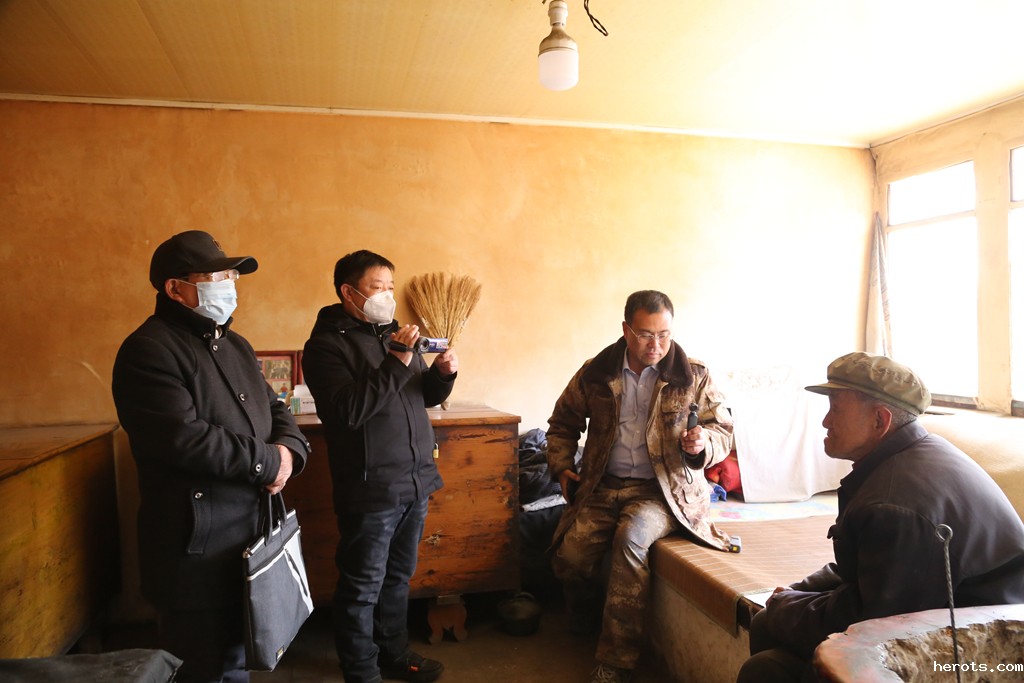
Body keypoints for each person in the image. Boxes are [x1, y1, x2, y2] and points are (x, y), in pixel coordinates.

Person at [737, 352, 1024, 683]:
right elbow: (864, 567)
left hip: (981, 648)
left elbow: (875, 624)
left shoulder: (895, 503)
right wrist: (794, 593)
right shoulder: (911, 456)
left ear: (879, 420)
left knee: (765, 669)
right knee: (767, 621)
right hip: (929, 610)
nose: (826, 422)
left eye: (836, 409)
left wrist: (786, 607)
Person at [112, 230, 311, 683]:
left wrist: (290, 452)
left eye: (232, 276)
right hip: (194, 550)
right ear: (175, 288)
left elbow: (276, 408)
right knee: (201, 667)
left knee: (237, 660)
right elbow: (183, 438)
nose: (230, 285)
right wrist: (268, 462)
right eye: (217, 277)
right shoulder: (149, 349)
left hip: (247, 540)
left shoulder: (235, 345)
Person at [546, 290, 736, 683]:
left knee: (630, 541)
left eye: (664, 335)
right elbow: (562, 422)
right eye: (646, 335)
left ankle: (616, 661)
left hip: (661, 492)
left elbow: (722, 429)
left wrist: (703, 444)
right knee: (570, 557)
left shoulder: (692, 374)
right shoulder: (596, 373)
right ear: (626, 330)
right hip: (601, 486)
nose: (656, 345)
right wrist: (562, 467)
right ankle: (583, 613)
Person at [301, 250, 458, 683]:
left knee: (398, 577)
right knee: (362, 585)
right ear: (348, 292)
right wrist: (396, 360)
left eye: (391, 287)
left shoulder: (394, 334)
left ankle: (394, 652)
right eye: (377, 287)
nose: (388, 296)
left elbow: (422, 395)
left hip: (415, 479)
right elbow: (348, 411)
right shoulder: (325, 347)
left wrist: (443, 374)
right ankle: (361, 670)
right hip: (371, 486)